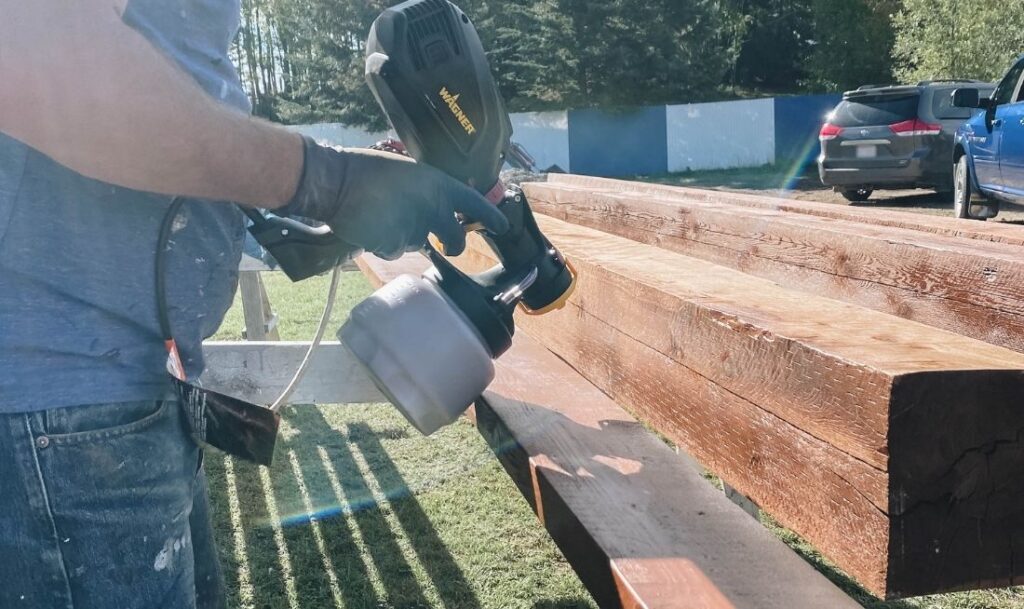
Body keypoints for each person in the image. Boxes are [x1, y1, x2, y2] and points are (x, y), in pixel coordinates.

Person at [0, 1, 509, 607]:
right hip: (62, 398)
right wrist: (328, 180)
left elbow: (174, 128)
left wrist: (320, 205)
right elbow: (36, 59)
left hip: (129, 382)